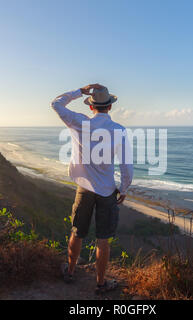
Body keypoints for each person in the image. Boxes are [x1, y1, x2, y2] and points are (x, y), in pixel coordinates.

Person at [51, 84, 133, 294]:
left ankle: (69, 272)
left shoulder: (79, 122)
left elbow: (56, 104)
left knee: (77, 232)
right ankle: (100, 283)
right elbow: (126, 166)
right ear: (110, 107)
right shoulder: (119, 131)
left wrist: (80, 91)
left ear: (91, 107)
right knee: (103, 239)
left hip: (84, 188)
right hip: (107, 191)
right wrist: (123, 189)